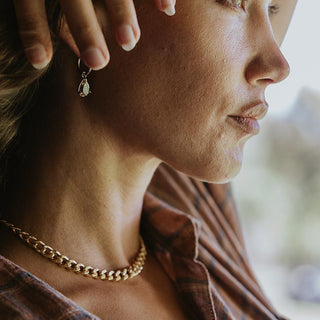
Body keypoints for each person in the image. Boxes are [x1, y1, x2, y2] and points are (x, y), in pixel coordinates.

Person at [0, 0, 297, 319]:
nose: (277, 66)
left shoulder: (194, 206)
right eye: (235, 2)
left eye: (272, 9)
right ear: (83, 20)